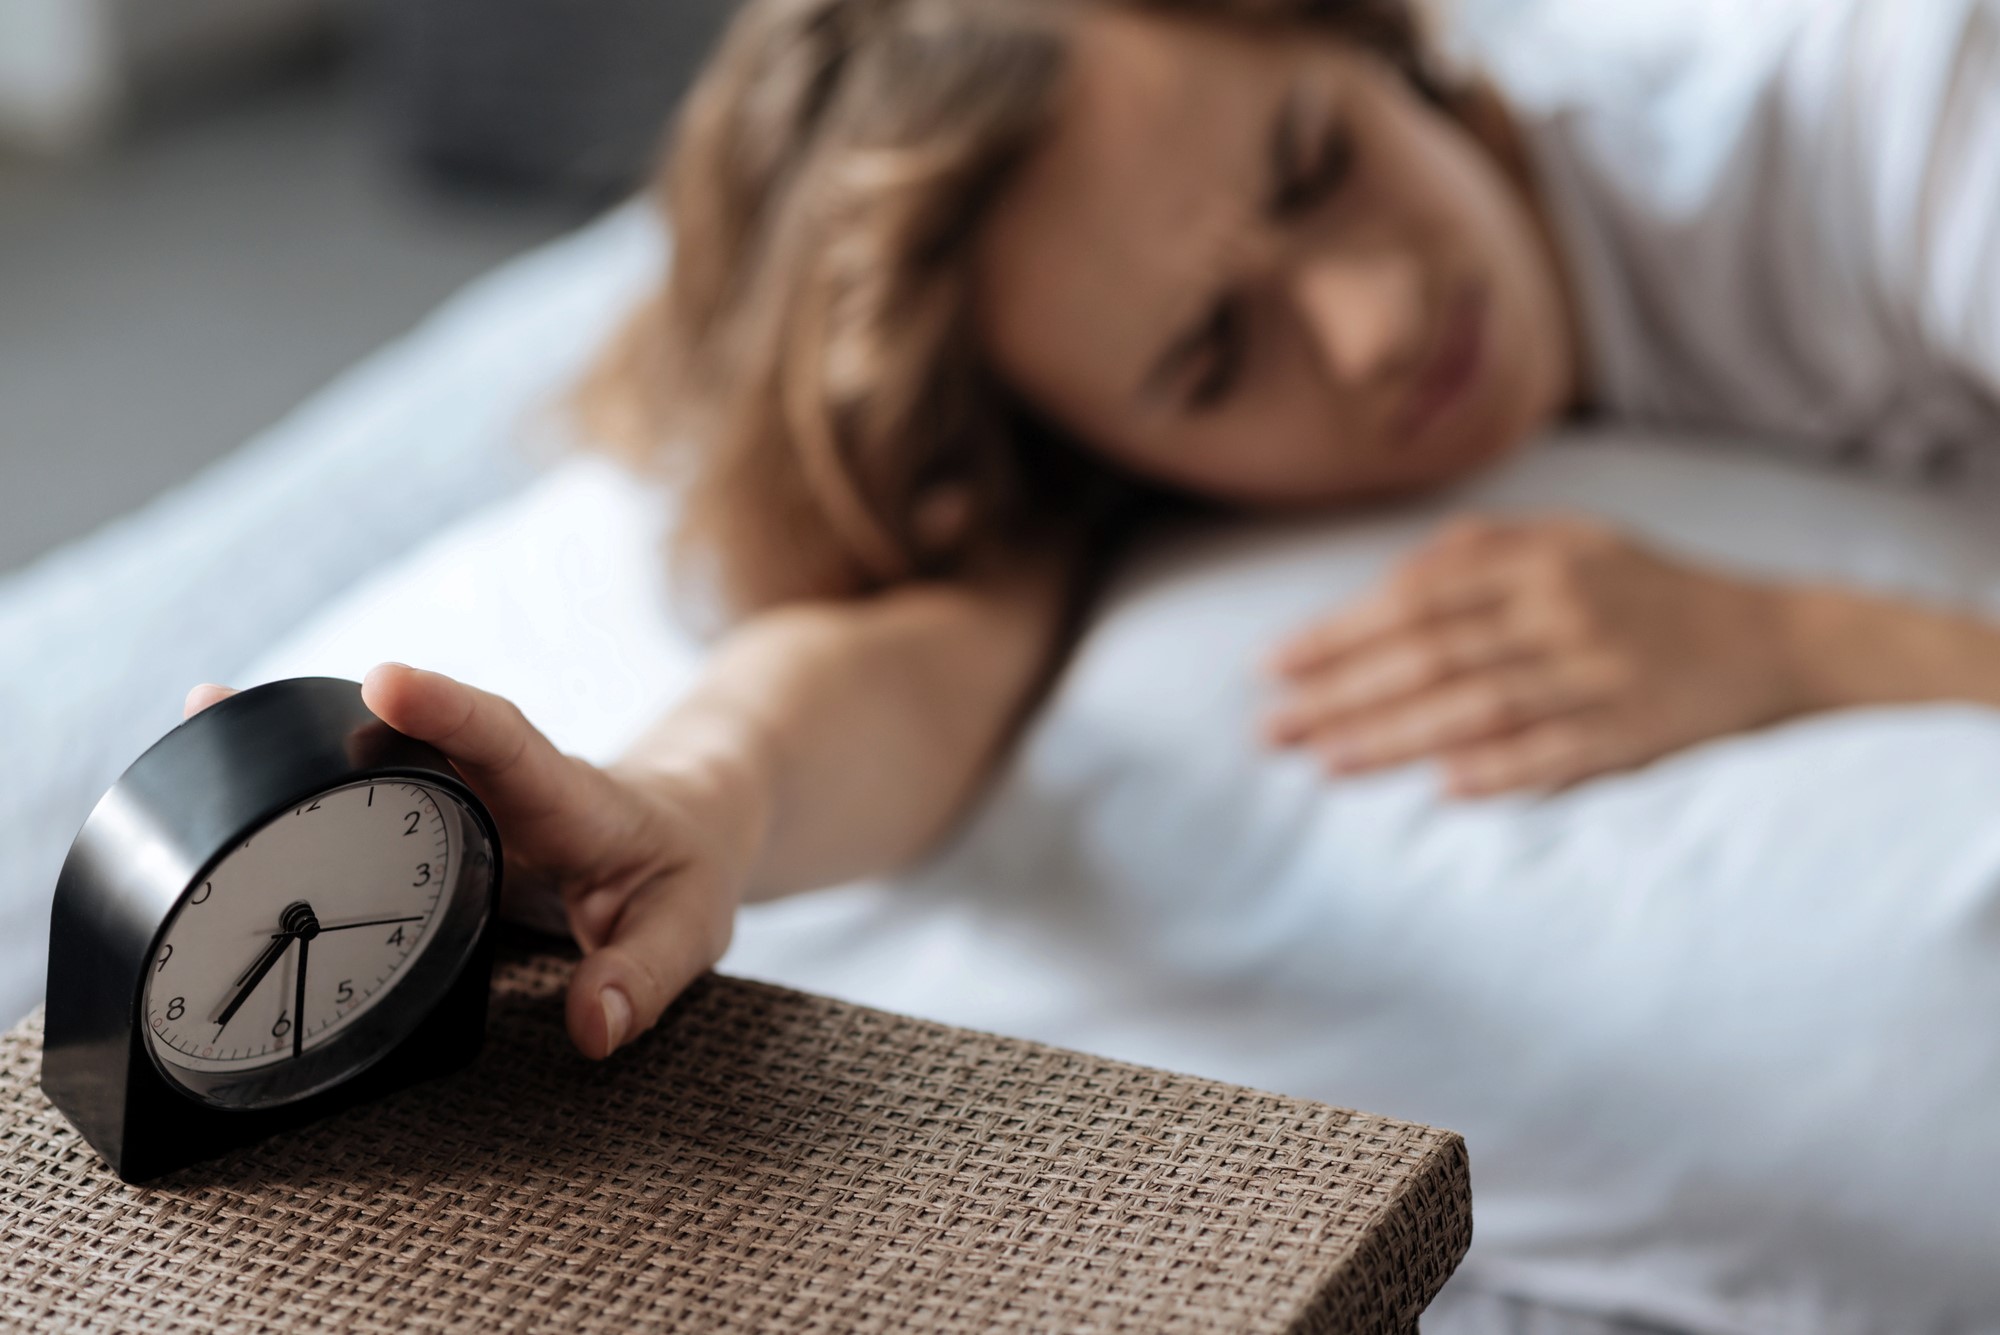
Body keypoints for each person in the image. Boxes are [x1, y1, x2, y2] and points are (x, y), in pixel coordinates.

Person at [192, 0, 2000, 1060]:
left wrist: (1807, 646)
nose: (1373, 321)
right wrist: (680, 806)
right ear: (1092, 447)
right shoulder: (1108, 477)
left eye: (1313, 159)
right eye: (1212, 356)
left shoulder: (1905, 110)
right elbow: (912, 656)